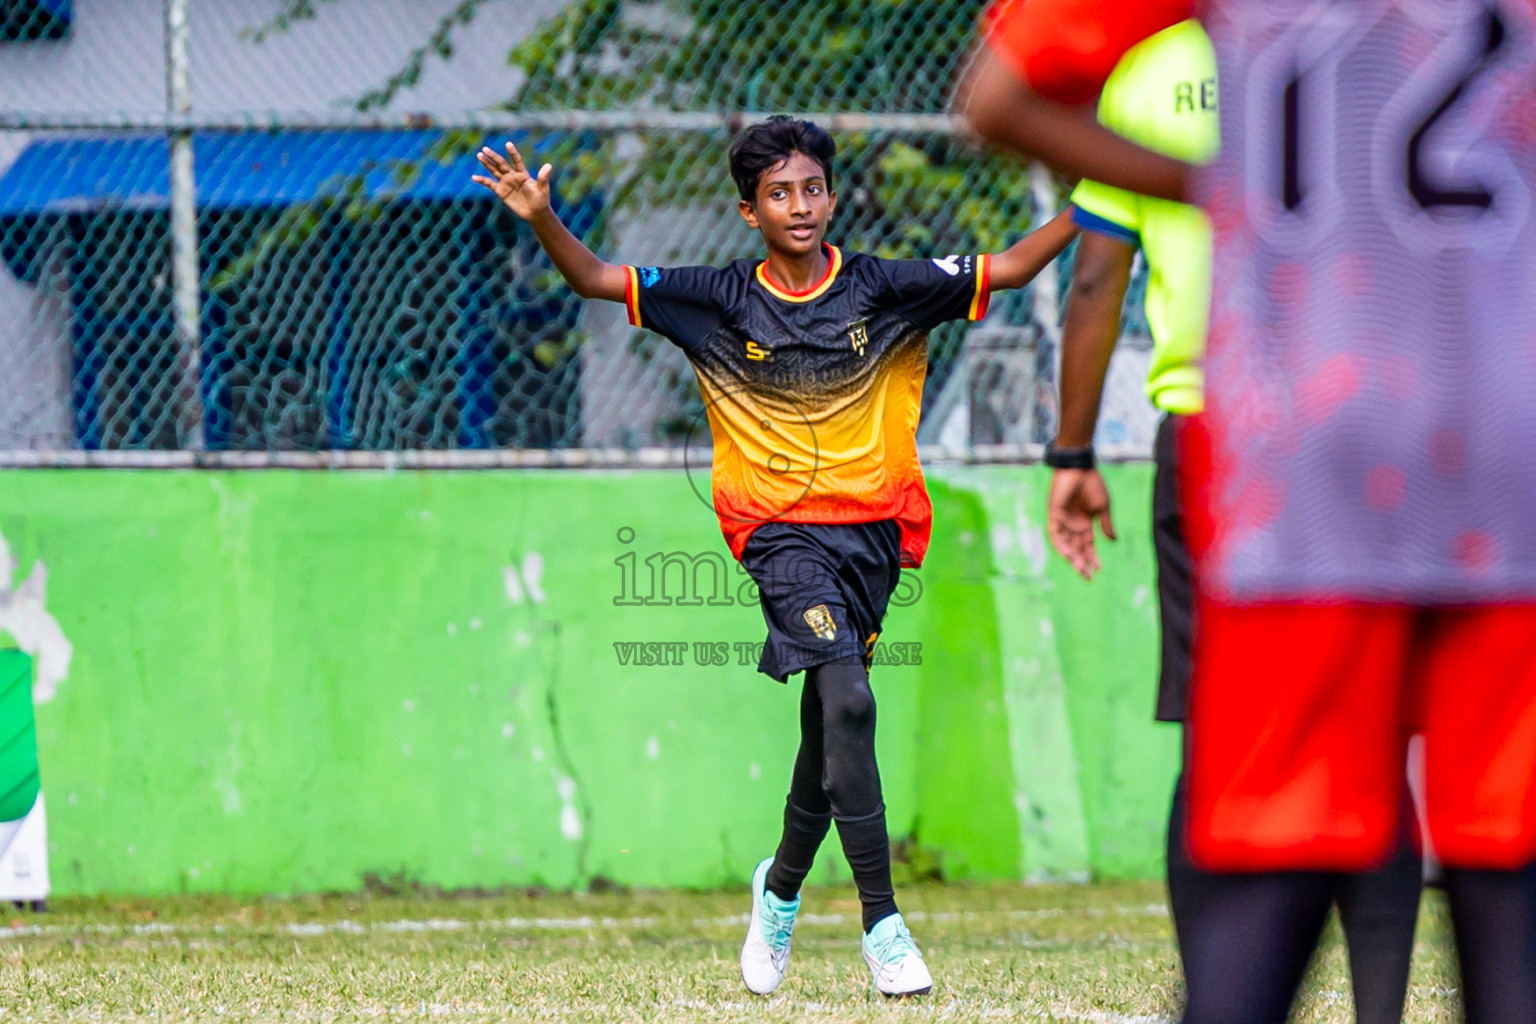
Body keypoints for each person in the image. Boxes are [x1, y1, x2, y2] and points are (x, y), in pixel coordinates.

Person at [966, 1, 1536, 1022]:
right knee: (1511, 852)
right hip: (1505, 437)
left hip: (1298, 446)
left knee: (1281, 835)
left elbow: (1000, 96)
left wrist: (1232, 184)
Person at [472, 115, 1079, 997]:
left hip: (871, 536)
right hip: (778, 536)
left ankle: (781, 892)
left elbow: (1015, 266)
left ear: (831, 197)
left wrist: (1098, 203)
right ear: (749, 210)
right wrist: (540, 217)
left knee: (830, 725)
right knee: (855, 703)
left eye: (812, 189)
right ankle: (884, 925)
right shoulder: (716, 300)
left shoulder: (882, 287)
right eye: (779, 194)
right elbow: (597, 278)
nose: (799, 206)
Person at [1044, 17, 1422, 1024]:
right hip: (1365, 415)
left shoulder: (1152, 69)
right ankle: (1381, 1006)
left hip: (1220, 432)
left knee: (1212, 726)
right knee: (1371, 720)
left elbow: (1095, 278)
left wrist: (1072, 453)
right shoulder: (1381, 47)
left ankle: (1219, 994)